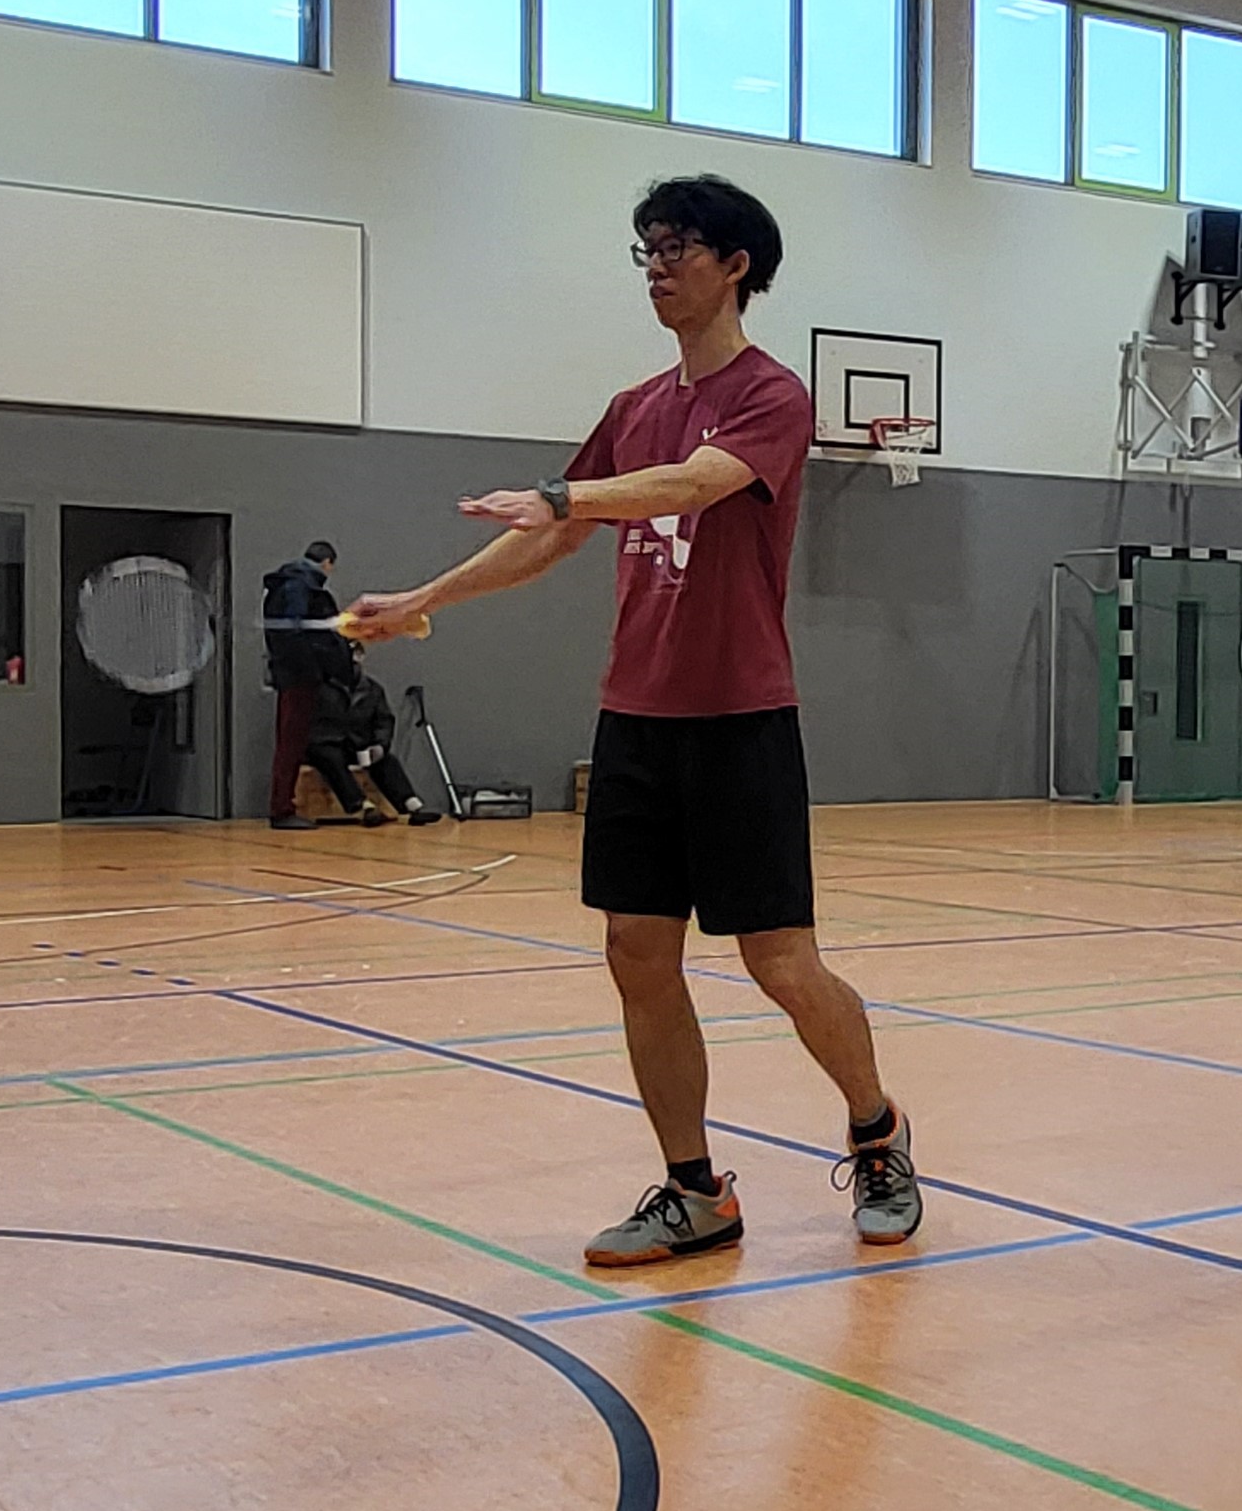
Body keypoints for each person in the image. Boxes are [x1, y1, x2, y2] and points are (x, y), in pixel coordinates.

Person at [348, 174, 923, 1262]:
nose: (656, 269)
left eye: (677, 249)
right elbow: (553, 537)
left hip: (740, 717)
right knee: (636, 954)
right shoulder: (633, 407)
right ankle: (695, 1191)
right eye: (645, 251)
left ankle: (875, 1129)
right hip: (637, 719)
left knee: (779, 962)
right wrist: (423, 599)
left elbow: (690, 487)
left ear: (735, 266)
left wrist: (566, 495)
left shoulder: (772, 396)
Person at [263, 541, 352, 831]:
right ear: (328, 563)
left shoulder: (287, 584)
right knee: (291, 743)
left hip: (293, 673)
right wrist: (316, 667)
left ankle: (284, 805)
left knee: (292, 741)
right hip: (299, 676)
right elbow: (296, 632)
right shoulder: (300, 587)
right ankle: (282, 809)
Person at [303, 656, 443, 827]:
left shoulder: (373, 689)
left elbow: (383, 721)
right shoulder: (318, 687)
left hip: (358, 745)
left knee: (386, 761)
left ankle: (411, 804)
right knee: (332, 759)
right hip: (324, 744)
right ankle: (361, 806)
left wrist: (380, 746)